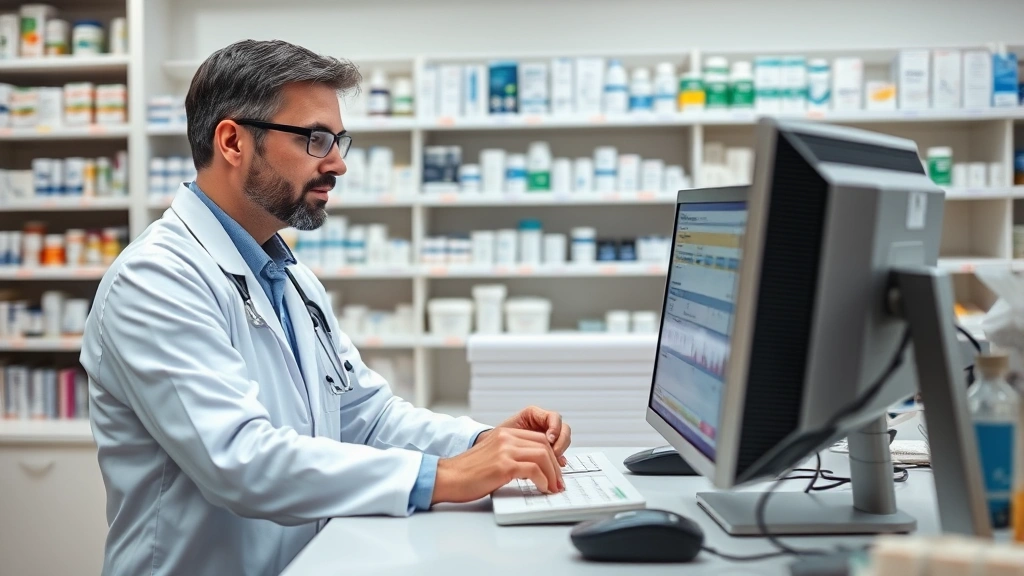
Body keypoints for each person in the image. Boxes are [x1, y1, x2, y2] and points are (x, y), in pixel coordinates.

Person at [80, 39, 571, 576]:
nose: (337, 163)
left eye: (339, 141)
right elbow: (240, 461)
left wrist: (485, 443)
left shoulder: (290, 278)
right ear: (232, 141)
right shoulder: (157, 279)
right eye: (316, 139)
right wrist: (445, 477)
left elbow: (367, 416)